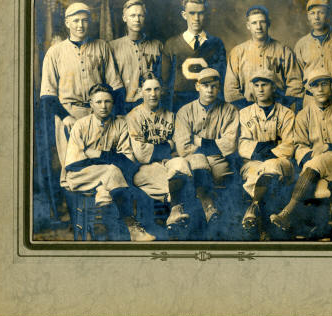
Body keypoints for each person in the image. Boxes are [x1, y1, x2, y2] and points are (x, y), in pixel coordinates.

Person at [40, 2, 124, 188]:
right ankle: (76, 216)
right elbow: (47, 95)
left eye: (84, 20)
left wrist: (115, 114)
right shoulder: (55, 52)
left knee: (101, 162)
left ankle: (103, 213)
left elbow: (115, 85)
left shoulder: (102, 46)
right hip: (70, 114)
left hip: (99, 113)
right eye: (76, 20)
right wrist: (65, 117)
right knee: (72, 170)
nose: (80, 25)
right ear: (67, 22)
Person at [270, 68, 332, 232]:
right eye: (315, 85)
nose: (320, 89)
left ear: (331, 86)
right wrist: (314, 154)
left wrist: (329, 147)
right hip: (313, 167)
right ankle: (313, 228)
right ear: (309, 90)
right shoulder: (303, 115)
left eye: (324, 84)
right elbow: (298, 147)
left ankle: (288, 212)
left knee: (322, 159)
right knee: (317, 162)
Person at [64, 83, 155, 241]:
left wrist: (97, 154)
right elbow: (74, 163)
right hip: (81, 176)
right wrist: (110, 158)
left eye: (107, 101)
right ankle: (131, 225)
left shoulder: (120, 124)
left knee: (106, 191)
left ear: (113, 103)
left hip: (109, 179)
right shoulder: (80, 125)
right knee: (112, 171)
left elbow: (128, 160)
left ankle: (107, 232)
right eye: (98, 102)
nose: (103, 106)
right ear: (91, 104)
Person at [126, 72, 194, 230]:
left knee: (181, 163)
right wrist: (169, 145)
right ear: (140, 92)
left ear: (162, 91)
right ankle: (176, 213)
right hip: (144, 169)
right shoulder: (133, 117)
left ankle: (174, 215)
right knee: (184, 183)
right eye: (148, 90)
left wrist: (170, 151)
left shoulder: (172, 116)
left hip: (167, 164)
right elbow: (142, 154)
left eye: (156, 89)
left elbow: (182, 148)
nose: (153, 94)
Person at [174, 68, 239, 223]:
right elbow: (183, 148)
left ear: (219, 87)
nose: (210, 90)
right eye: (205, 85)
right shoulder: (185, 111)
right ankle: (208, 207)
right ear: (197, 87)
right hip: (193, 160)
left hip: (218, 161)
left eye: (214, 86)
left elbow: (229, 146)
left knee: (213, 172)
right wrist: (214, 144)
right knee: (196, 161)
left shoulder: (230, 110)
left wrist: (197, 140)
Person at [238, 69, 295, 231]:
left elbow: (289, 144)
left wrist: (263, 150)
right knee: (258, 172)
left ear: (274, 87)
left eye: (265, 84)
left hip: (280, 162)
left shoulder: (287, 114)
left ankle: (253, 209)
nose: (260, 89)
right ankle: (267, 224)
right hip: (252, 163)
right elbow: (242, 144)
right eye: (256, 85)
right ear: (253, 88)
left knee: (271, 167)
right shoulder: (244, 113)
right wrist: (272, 145)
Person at [224, 5, 304, 111]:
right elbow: (230, 90)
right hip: (247, 111)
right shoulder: (237, 53)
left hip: (278, 109)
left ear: (269, 23)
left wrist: (282, 108)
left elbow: (296, 84)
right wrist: (248, 110)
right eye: (254, 23)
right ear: (248, 26)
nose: (259, 27)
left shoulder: (284, 51)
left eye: (262, 22)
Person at [161, 0, 227, 112]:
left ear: (205, 15)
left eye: (200, 13)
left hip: (209, 105)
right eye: (192, 13)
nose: (196, 18)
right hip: (178, 105)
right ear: (184, 15)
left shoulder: (216, 44)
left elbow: (221, 81)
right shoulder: (171, 44)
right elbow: (165, 83)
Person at [109, 0, 163, 114]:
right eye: (132, 15)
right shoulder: (113, 47)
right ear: (124, 18)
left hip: (151, 104)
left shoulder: (157, 45)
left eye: (141, 15)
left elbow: (162, 77)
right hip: (123, 105)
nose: (137, 20)